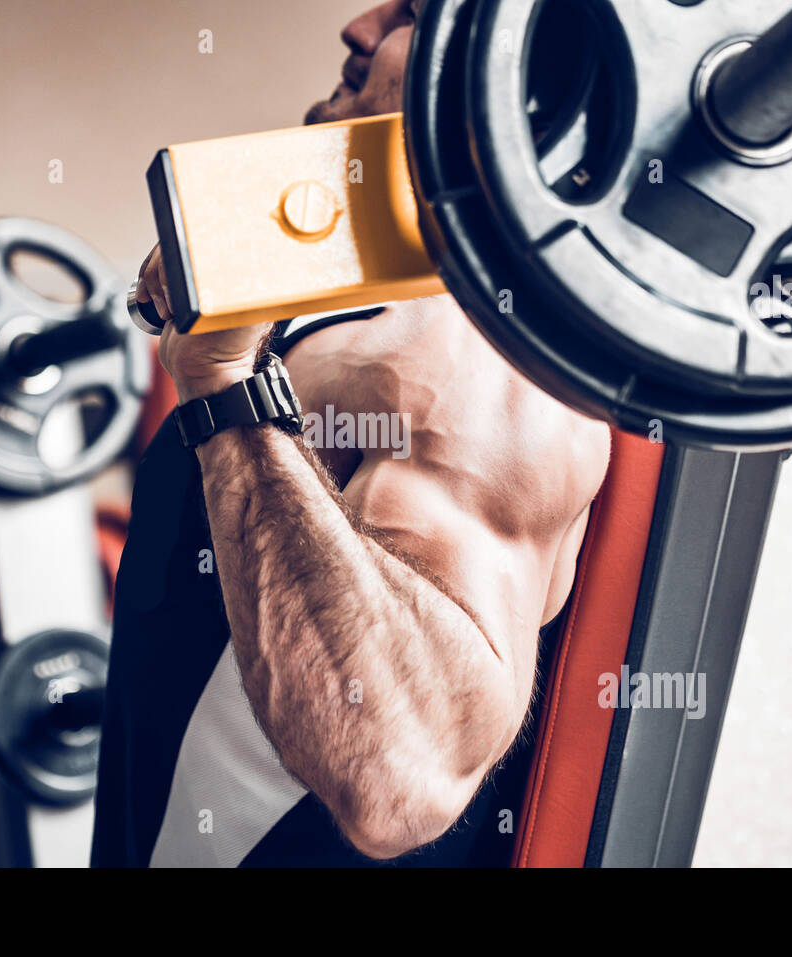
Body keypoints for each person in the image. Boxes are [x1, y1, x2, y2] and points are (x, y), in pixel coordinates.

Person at [91, 0, 611, 867]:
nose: (360, 26)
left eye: (413, 11)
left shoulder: (485, 360)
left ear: (517, 70)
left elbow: (402, 779)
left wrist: (225, 386)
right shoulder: (369, 300)